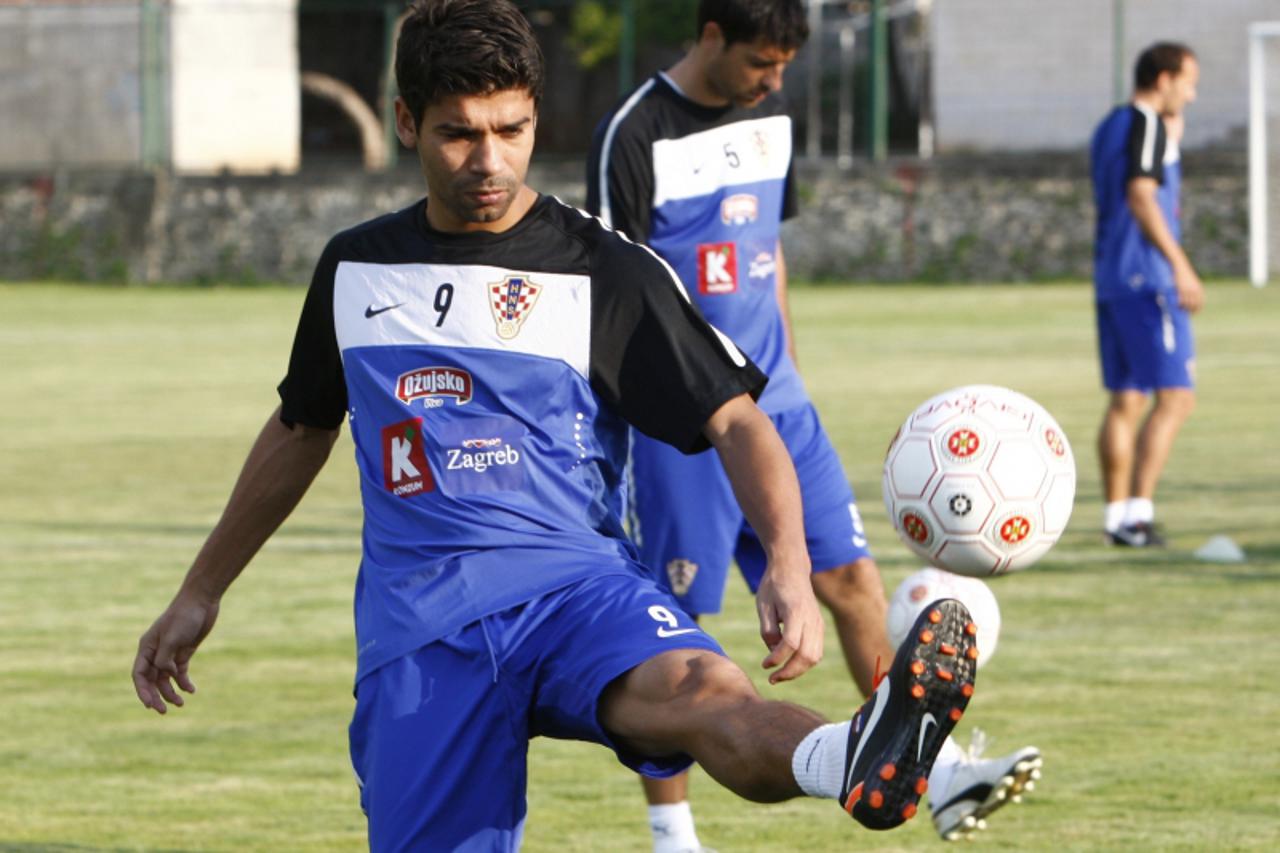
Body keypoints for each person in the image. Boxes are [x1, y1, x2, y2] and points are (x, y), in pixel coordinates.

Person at [130, 1, 980, 850]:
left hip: (577, 593)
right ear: (405, 123)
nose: (489, 160)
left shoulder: (603, 270)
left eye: (512, 128)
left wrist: (788, 562)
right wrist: (201, 589)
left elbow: (736, 419)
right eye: (459, 133)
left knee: (707, 692)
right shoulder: (355, 270)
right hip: (423, 627)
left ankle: (847, 752)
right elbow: (300, 428)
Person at [586, 1, 1039, 846]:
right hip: (682, 426)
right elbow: (609, 293)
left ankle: (928, 774)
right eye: (762, 61)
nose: (776, 79)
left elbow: (770, 251)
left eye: (785, 64)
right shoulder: (634, 130)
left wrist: (788, 366)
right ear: (711, 36)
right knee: (670, 628)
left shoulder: (773, 115)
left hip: (781, 407)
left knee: (854, 584)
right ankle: (671, 830)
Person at [1090, 42, 1203, 548]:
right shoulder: (1148, 123)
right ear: (1163, 79)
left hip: (1111, 278)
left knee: (1127, 399)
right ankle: (1138, 517)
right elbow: (1141, 193)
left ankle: (1117, 518)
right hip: (1148, 279)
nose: (1192, 93)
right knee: (1176, 396)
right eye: (1188, 81)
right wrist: (1180, 265)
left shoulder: (1107, 127)